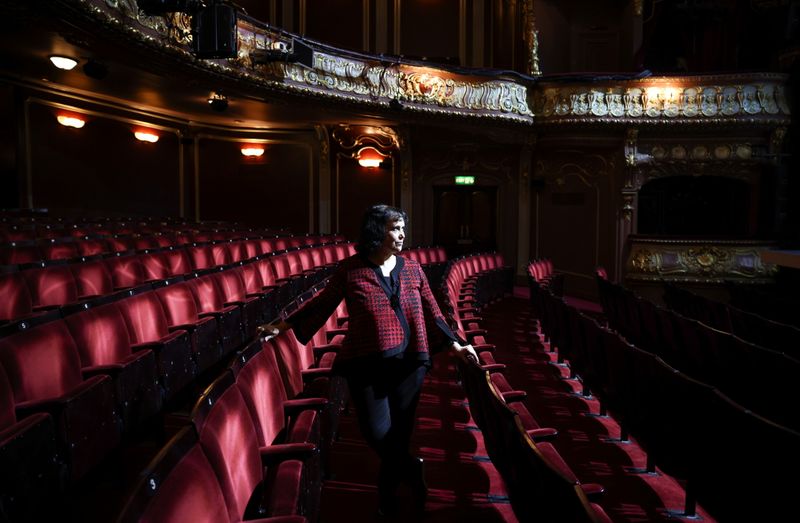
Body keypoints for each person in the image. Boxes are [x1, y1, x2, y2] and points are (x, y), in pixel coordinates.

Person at [257, 204, 477, 517]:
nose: (402, 235)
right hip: (366, 364)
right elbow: (322, 305)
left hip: (411, 363)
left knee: (399, 435)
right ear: (376, 231)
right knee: (377, 433)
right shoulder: (351, 269)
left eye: (402, 228)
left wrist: (456, 344)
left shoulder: (413, 269)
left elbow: (433, 312)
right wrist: (280, 325)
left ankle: (387, 501)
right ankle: (411, 470)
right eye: (394, 228)